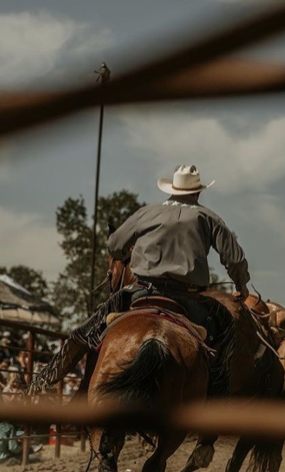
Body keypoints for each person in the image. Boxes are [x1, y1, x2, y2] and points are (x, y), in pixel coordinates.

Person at [27, 165, 250, 397]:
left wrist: (130, 252)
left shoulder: (147, 213)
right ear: (198, 193)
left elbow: (114, 245)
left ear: (172, 190)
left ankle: (41, 383)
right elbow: (234, 259)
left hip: (140, 292)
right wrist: (241, 285)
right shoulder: (209, 217)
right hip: (188, 298)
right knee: (226, 339)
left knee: (82, 334)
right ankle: (215, 402)